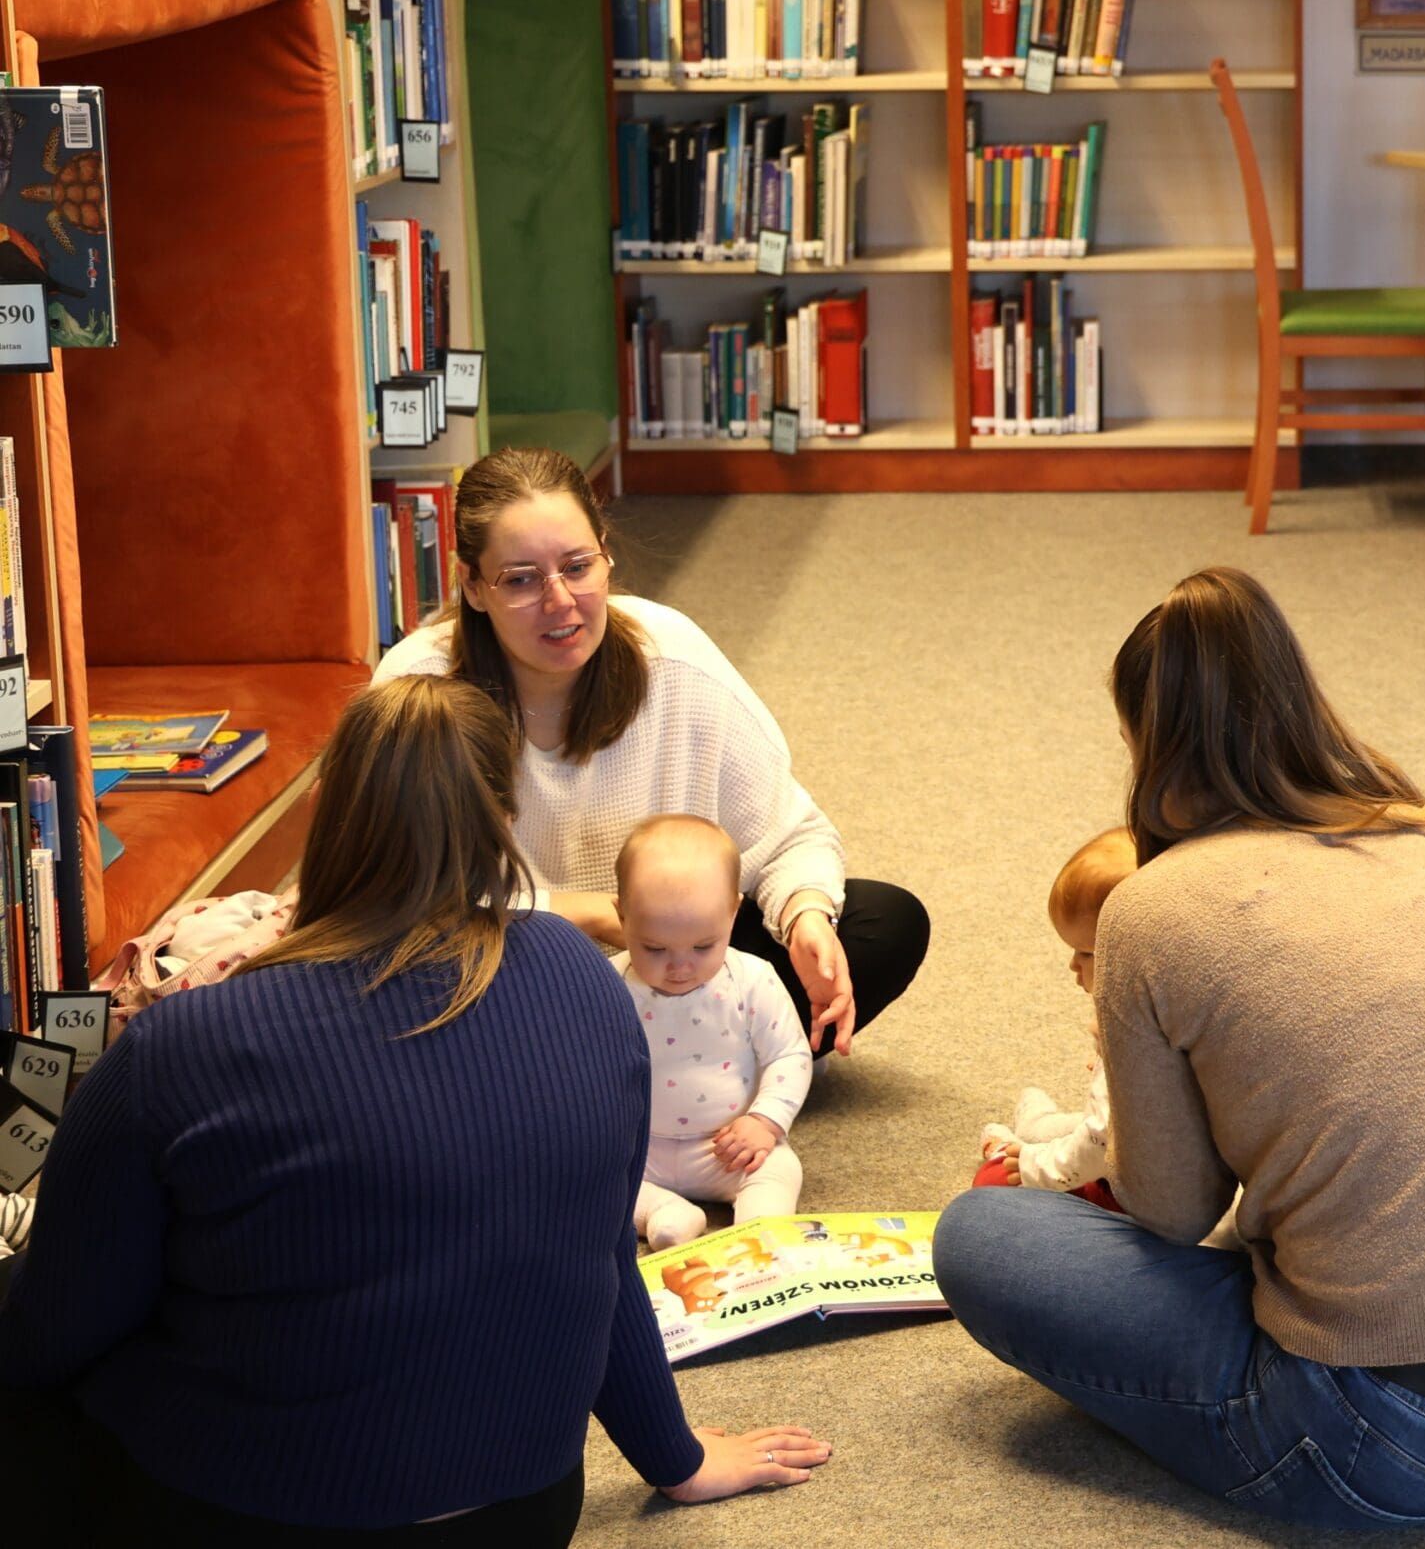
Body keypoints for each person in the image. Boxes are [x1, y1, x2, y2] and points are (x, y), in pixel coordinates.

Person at [0, 677, 829, 1543]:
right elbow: (598, 1256)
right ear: (506, 822)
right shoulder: (588, 976)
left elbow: (47, 1338)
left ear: (323, 810)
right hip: (525, 1510)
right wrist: (677, 1458)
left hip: (254, 1512)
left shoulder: (178, 1044)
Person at [936, 568, 1425, 1529]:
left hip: (1394, 1437)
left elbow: (1172, 1211)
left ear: (1145, 740)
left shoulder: (1148, 910)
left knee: (980, 1237)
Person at [375, 446, 928, 1054]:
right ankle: (687, 1074)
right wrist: (586, 914)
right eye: (522, 579)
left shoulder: (674, 657)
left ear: (605, 553)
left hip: (670, 969)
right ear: (473, 586)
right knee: (402, 983)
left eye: (578, 566)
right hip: (514, 967)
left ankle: (626, 1078)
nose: (560, 601)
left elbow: (788, 837)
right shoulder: (419, 688)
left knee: (883, 921)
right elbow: (397, 896)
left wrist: (805, 915)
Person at [616, 814, 813, 1249]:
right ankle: (662, 1212)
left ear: (733, 912)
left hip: (729, 1147)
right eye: (655, 948)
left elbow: (789, 1055)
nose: (680, 967)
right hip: (638, 1150)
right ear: (622, 916)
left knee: (778, 1167)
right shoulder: (607, 984)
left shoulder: (752, 980)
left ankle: (758, 1226)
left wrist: (764, 1122)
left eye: (703, 946)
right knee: (588, 1178)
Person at [974, 827, 1133, 1208]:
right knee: (1071, 1127)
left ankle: (1010, 1146)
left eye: (1086, 953)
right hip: (1139, 1156)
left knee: (992, 1183)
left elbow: (1096, 1151)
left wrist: (1032, 1166)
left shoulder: (1125, 1037)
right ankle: (1034, 1128)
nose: (1073, 965)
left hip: (1127, 1196)